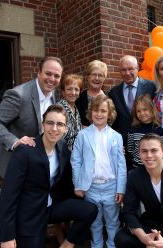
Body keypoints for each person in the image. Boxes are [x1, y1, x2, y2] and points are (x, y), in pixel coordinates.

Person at [0, 104, 98, 248]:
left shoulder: (63, 149)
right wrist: (6, 237)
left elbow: (66, 184)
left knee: (90, 209)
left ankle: (67, 245)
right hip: (29, 215)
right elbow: (8, 195)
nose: (54, 129)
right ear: (43, 125)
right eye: (50, 123)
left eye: (60, 124)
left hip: (51, 208)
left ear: (66, 128)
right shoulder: (25, 151)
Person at [0, 56, 63, 178]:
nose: (52, 79)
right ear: (38, 73)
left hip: (36, 162)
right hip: (14, 162)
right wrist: (15, 142)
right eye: (48, 73)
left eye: (57, 76)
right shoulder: (18, 95)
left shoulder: (53, 93)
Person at [71, 95, 127, 248]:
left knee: (112, 222)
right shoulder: (82, 135)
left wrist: (121, 188)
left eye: (103, 111)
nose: (99, 114)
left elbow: (121, 164)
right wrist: (78, 185)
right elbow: (76, 161)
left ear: (110, 114)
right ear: (90, 112)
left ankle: (111, 245)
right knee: (94, 222)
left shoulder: (117, 136)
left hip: (111, 186)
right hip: (91, 187)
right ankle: (96, 245)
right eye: (95, 110)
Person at [108, 55, 156, 170]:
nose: (127, 72)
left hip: (147, 143)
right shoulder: (113, 92)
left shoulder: (151, 86)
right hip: (123, 147)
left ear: (137, 68)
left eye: (131, 68)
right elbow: (112, 121)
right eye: (123, 70)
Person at [127, 94, 163, 168]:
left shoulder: (159, 130)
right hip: (137, 167)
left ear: (152, 110)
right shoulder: (133, 130)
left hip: (155, 168)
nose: (142, 113)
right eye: (138, 111)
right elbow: (130, 149)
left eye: (145, 109)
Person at [76, 60, 107, 128]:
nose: (97, 78)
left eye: (100, 75)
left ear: (104, 78)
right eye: (94, 74)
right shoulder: (79, 99)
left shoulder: (109, 98)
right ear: (88, 77)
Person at [57, 73, 83, 150]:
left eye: (76, 89)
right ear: (63, 91)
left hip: (75, 155)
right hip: (62, 154)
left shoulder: (76, 109)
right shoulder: (58, 109)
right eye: (69, 89)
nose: (73, 92)